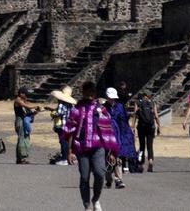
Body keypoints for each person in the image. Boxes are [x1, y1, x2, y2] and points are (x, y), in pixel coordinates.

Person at [62, 82, 118, 211]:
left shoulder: (101, 110)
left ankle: (95, 199)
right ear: (83, 93)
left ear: (95, 94)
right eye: (87, 93)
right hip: (82, 148)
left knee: (99, 174)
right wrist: (70, 151)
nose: (89, 96)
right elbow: (70, 131)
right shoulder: (76, 110)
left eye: (92, 93)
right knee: (84, 177)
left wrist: (112, 152)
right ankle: (87, 205)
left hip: (98, 147)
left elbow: (108, 131)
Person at [103, 87, 135, 187]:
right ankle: (108, 179)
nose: (112, 100)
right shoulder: (103, 108)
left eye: (113, 98)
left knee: (118, 157)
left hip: (118, 135)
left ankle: (118, 179)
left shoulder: (120, 106)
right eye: (110, 98)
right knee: (108, 158)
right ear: (107, 97)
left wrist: (128, 134)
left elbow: (124, 121)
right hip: (107, 135)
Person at [50, 86, 78, 164]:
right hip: (69, 126)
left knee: (63, 141)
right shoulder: (71, 104)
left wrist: (52, 113)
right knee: (68, 142)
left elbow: (59, 113)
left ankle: (64, 158)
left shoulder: (62, 103)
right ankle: (68, 157)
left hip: (62, 125)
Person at [132, 90, 157, 172]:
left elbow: (135, 115)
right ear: (148, 95)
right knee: (150, 146)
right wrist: (159, 126)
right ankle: (150, 161)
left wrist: (133, 127)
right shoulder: (152, 103)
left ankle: (140, 163)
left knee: (142, 146)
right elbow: (156, 116)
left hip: (141, 127)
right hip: (150, 127)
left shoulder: (138, 103)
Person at [14, 90, 41, 164]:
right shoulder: (18, 100)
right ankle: (22, 157)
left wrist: (35, 112)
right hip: (19, 121)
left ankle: (21, 158)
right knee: (22, 138)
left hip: (25, 122)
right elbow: (27, 106)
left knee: (25, 138)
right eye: (25, 94)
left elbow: (28, 113)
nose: (27, 95)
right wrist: (35, 106)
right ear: (21, 93)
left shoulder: (24, 101)